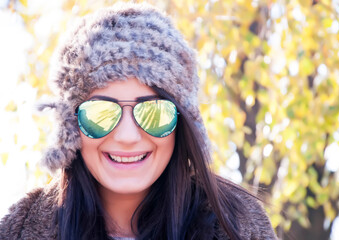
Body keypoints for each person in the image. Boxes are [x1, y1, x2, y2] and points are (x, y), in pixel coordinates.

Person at [0, 2, 277, 240]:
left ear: (182, 123)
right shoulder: (18, 231)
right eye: (101, 113)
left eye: (154, 112)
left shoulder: (240, 227)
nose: (127, 136)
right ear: (70, 128)